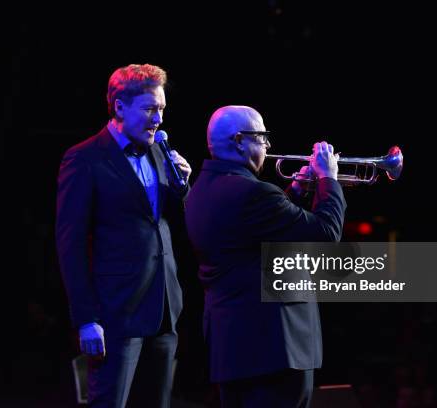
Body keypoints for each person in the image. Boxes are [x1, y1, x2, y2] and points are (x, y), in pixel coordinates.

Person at [184, 105, 346, 407]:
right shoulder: (253, 193)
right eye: (261, 137)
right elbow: (326, 234)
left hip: (233, 351)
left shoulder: (200, 191)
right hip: (274, 351)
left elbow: (249, 235)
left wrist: (294, 192)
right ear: (238, 141)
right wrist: (328, 180)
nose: (268, 145)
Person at [56, 64, 191, 407]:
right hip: (116, 313)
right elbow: (70, 244)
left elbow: (161, 222)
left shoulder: (160, 150)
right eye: (149, 110)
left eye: (161, 109)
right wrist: (85, 319)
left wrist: (183, 188)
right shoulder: (84, 158)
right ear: (119, 107)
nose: (158, 119)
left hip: (162, 308)